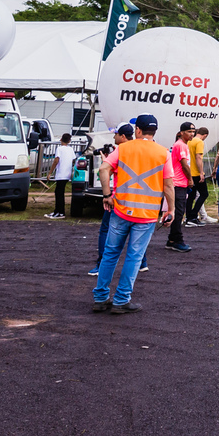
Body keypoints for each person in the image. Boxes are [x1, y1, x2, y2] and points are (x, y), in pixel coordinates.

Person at [92, 113, 174, 314]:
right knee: (134, 257)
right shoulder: (163, 153)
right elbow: (169, 185)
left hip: (120, 210)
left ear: (137, 130)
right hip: (146, 215)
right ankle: (121, 300)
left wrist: (107, 195)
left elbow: (103, 170)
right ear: (154, 131)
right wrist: (170, 210)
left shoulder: (123, 149)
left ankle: (101, 298)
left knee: (110, 254)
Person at [88, 124, 149, 276]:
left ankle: (101, 265)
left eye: (115, 134)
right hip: (140, 199)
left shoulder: (119, 151)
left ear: (122, 136)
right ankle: (142, 262)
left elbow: (104, 170)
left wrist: (107, 195)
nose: (114, 137)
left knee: (106, 230)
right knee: (137, 233)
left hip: (119, 198)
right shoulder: (141, 150)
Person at [166, 123, 195, 252]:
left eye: (193, 131)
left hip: (178, 183)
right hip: (178, 183)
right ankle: (177, 240)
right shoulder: (181, 145)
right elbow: (184, 165)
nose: (192, 134)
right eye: (189, 131)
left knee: (179, 212)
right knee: (178, 213)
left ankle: (172, 239)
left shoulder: (181, 145)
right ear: (182, 132)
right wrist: (190, 178)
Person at [185, 126, 210, 226]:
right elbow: (198, 157)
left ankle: (188, 217)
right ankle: (193, 215)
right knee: (204, 194)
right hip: (196, 173)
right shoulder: (199, 142)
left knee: (191, 196)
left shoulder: (189, 141)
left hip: (189, 172)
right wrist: (201, 172)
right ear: (205, 135)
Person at [47, 133, 75, 218]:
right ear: (69, 141)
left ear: (61, 139)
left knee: (59, 193)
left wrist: (50, 172)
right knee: (60, 192)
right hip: (67, 174)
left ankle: (60, 212)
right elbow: (73, 160)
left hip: (61, 174)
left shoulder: (59, 149)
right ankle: (57, 211)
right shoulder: (71, 149)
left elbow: (56, 161)